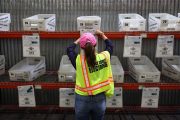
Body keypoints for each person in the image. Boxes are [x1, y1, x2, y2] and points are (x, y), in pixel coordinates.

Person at [67, 30, 114, 120]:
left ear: (82, 46)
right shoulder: (105, 56)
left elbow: (69, 49)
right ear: (95, 45)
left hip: (82, 98)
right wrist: (102, 34)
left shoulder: (78, 61)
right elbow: (110, 46)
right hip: (99, 98)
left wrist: (80, 39)